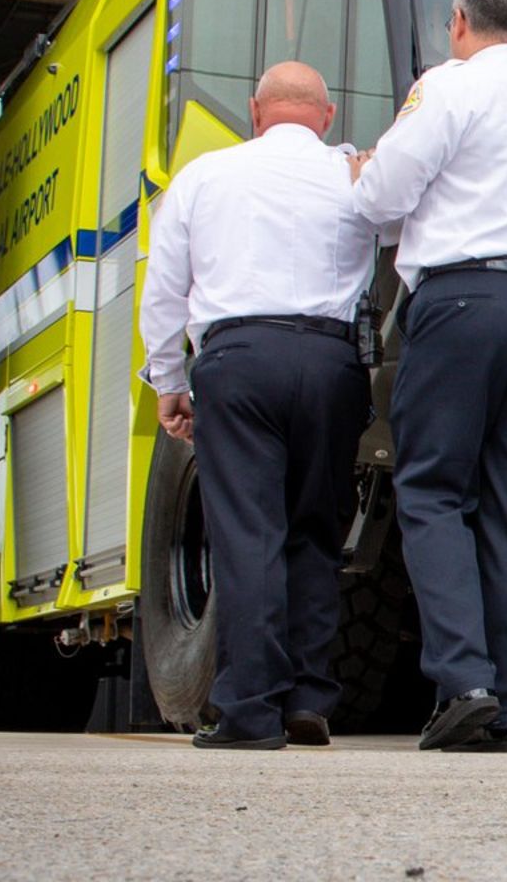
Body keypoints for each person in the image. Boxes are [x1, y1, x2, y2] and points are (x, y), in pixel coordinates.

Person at [352, 0, 507, 752]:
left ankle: (463, 681)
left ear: (458, 23)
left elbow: (379, 199)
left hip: (462, 303)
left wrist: (364, 175)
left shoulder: (448, 85)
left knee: (432, 488)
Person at [137, 61, 377, 750]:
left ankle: (249, 709)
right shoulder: (353, 177)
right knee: (316, 532)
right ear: (326, 117)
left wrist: (168, 381)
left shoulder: (204, 176)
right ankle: (307, 698)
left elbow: (165, 289)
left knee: (248, 533)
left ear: (254, 111)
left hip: (237, 362)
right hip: (332, 362)